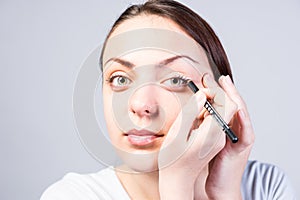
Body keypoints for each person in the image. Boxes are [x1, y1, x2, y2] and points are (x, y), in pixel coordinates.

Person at [41, 0, 296, 199]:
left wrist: (225, 194)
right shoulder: (71, 196)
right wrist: (177, 184)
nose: (141, 105)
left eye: (175, 80)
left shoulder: (265, 186)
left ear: (220, 97)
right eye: (120, 79)